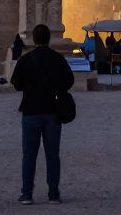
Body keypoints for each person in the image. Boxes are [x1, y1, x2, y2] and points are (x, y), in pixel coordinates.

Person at [10, 22, 75, 203]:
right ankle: (53, 192)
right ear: (49, 39)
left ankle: (27, 193)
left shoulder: (25, 59)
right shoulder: (58, 59)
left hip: (30, 111)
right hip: (53, 111)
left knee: (29, 155)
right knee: (52, 155)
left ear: (33, 39)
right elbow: (69, 80)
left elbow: (16, 84)